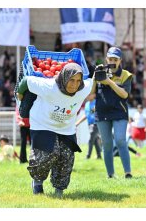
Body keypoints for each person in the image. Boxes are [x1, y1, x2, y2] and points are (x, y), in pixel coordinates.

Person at [17, 63, 93, 197]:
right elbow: (26, 81)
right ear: (64, 77)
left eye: (78, 81)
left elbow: (93, 81)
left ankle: (59, 189)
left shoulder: (83, 88)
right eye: (71, 80)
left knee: (66, 157)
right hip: (42, 124)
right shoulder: (49, 86)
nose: (74, 84)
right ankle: (37, 182)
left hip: (66, 128)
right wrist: (19, 94)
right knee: (48, 153)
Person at [91, 46, 133, 179]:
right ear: (106, 59)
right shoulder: (100, 71)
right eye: (111, 59)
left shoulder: (125, 75)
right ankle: (111, 175)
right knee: (107, 144)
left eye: (116, 59)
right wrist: (94, 77)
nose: (113, 62)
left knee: (120, 140)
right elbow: (91, 94)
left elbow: (124, 94)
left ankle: (128, 173)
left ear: (120, 61)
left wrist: (109, 82)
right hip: (102, 112)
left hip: (119, 111)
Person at [76, 95, 102, 159]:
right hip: (89, 124)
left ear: (94, 95)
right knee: (95, 140)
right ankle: (99, 156)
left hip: (96, 124)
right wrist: (78, 123)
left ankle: (88, 156)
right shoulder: (87, 104)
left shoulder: (97, 102)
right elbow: (86, 115)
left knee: (91, 140)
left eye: (90, 94)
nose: (87, 96)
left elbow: (96, 111)